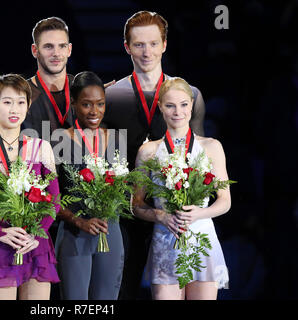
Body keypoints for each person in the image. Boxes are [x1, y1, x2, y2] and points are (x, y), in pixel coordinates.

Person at [101, 11, 206, 299]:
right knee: (122, 287)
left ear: (164, 44)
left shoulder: (190, 95)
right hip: (126, 210)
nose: (146, 52)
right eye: (138, 44)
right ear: (126, 46)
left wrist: (186, 207)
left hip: (174, 209)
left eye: (152, 43)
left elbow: (198, 154)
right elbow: (102, 155)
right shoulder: (110, 97)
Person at [0, 74, 60, 300]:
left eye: (21, 102)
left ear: (28, 106)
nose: (14, 109)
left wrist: (36, 234)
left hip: (35, 245)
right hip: (0, 244)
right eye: (7, 102)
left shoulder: (41, 148)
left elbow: (54, 200)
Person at [133, 77, 230, 300]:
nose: (178, 111)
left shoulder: (211, 147)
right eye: (170, 105)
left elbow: (225, 200)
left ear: (192, 105)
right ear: (160, 107)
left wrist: (200, 213)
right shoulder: (148, 151)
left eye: (184, 104)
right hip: (166, 238)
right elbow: (136, 205)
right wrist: (161, 215)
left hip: (201, 238)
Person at [55, 71, 126, 300]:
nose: (94, 111)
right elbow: (49, 197)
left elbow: (124, 187)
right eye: (86, 104)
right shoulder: (58, 140)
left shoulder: (116, 139)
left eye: (100, 104)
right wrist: (78, 221)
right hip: (74, 233)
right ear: (73, 103)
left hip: (110, 231)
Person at [21, 17, 75, 141]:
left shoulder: (82, 89)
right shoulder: (21, 93)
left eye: (62, 46)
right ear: (35, 50)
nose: (56, 53)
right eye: (48, 47)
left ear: (69, 49)